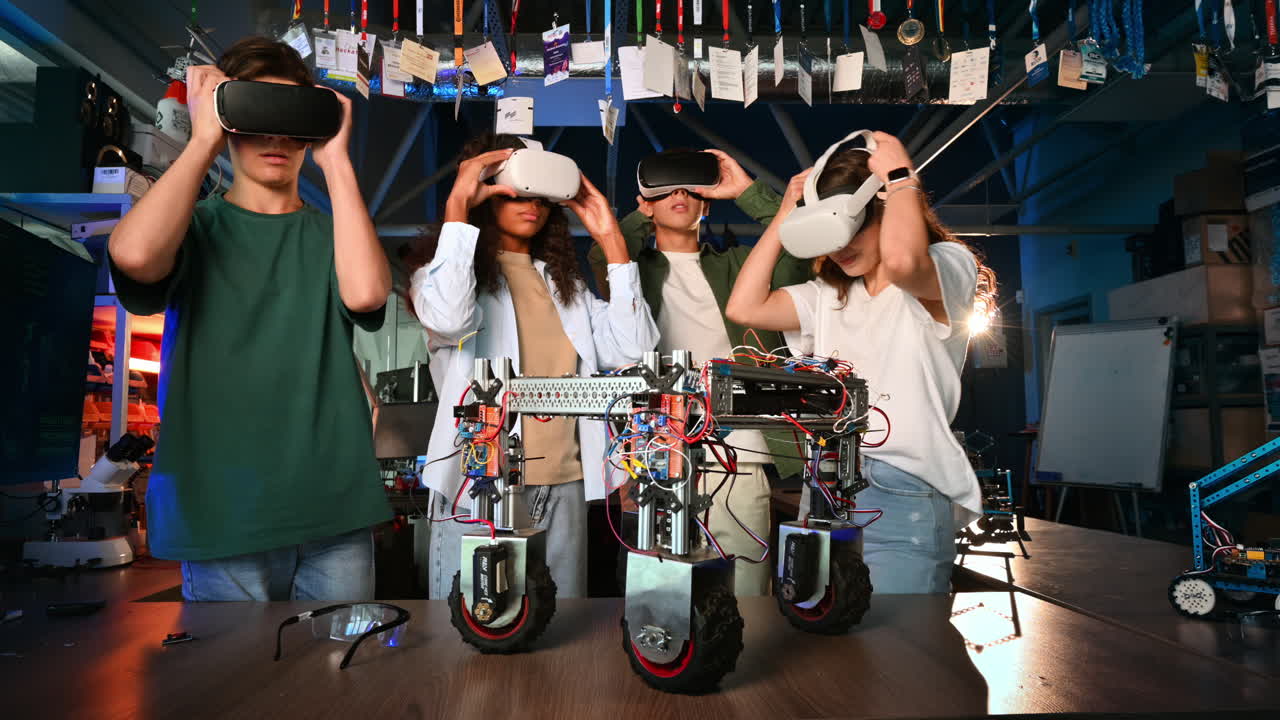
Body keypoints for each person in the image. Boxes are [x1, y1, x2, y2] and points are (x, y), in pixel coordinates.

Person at [107, 38, 392, 601]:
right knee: (236, 687)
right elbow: (134, 255)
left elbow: (365, 295)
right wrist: (203, 136)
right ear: (229, 121)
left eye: (292, 121)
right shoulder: (196, 227)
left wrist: (334, 157)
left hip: (332, 506)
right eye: (256, 116)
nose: (278, 138)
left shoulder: (329, 236)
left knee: (346, 686)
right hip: (223, 513)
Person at [725, 131, 995, 594]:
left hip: (905, 486)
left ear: (885, 208)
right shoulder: (830, 295)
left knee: (900, 647)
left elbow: (904, 261)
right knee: (826, 644)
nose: (839, 249)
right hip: (828, 481)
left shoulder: (944, 264)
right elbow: (744, 307)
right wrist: (787, 213)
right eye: (828, 235)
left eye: (851, 229)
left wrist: (899, 176)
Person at [404, 134, 658, 600]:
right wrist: (459, 203)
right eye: (517, 188)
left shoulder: (568, 288)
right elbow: (450, 318)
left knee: (562, 636)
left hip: (565, 484)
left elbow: (633, 348)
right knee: (468, 636)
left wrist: (610, 237)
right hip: (477, 485)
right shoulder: (447, 276)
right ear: (486, 189)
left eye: (543, 195)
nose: (532, 203)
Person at [588, 149, 810, 596]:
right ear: (646, 202)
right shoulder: (632, 271)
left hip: (739, 446)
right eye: (665, 189)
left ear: (706, 202)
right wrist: (642, 209)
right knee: (661, 581)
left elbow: (798, 248)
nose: (679, 195)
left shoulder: (737, 265)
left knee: (746, 579)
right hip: (658, 447)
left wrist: (747, 192)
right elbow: (603, 255)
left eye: (690, 188)